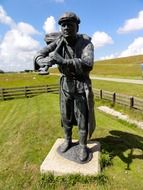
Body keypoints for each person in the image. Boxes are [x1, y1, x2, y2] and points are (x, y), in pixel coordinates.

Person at [34, 12, 96, 162]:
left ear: (77, 26)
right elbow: (40, 54)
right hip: (65, 86)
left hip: (81, 86)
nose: (66, 28)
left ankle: (82, 145)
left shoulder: (86, 43)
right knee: (66, 116)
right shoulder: (58, 41)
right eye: (63, 25)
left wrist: (63, 61)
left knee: (82, 117)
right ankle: (67, 140)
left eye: (70, 24)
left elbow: (88, 64)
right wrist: (44, 61)